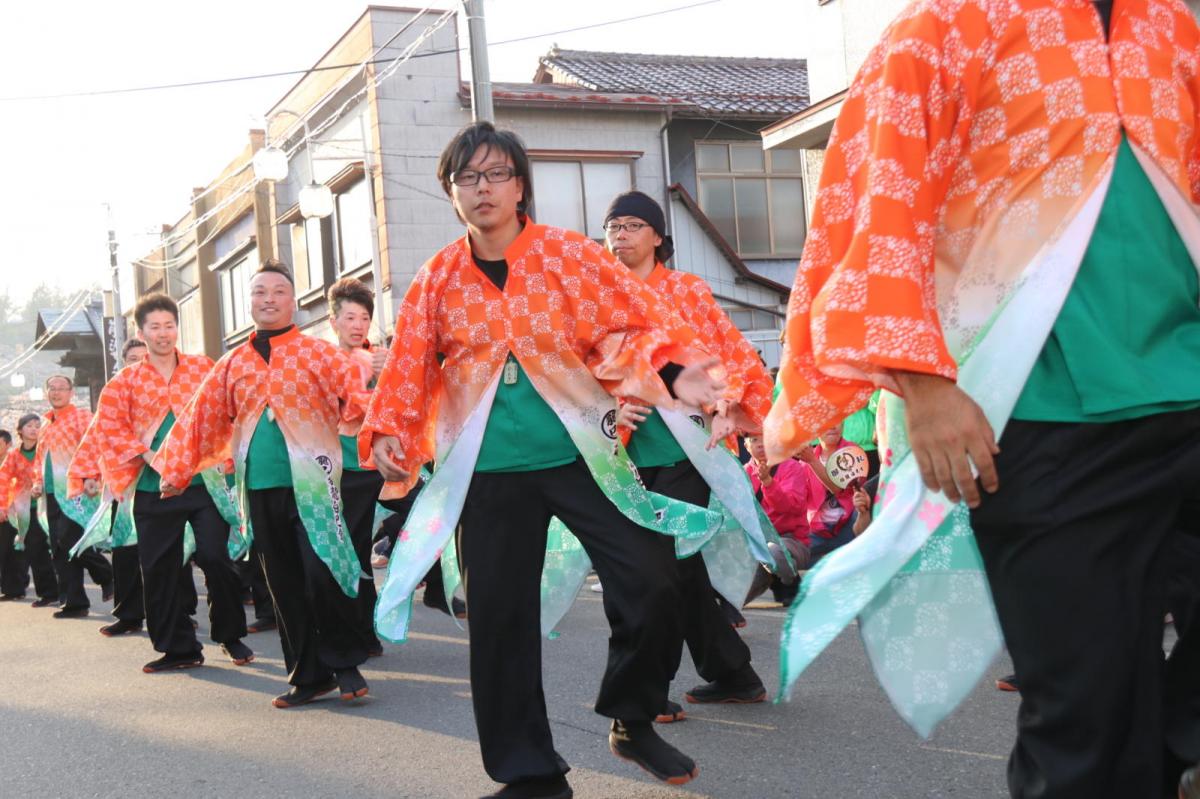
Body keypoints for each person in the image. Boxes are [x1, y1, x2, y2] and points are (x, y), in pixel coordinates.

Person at [765, 0, 1200, 795]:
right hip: (1039, 417)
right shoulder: (949, 22)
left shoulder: (1173, 25)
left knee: (1127, 725)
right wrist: (925, 387)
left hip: (1187, 392)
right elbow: (884, 206)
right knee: (1086, 724)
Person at [361, 121, 726, 799]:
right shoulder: (437, 277)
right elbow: (409, 366)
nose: (482, 189)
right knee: (498, 620)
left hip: (579, 451)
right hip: (487, 468)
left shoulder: (568, 256)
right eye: (466, 178)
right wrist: (389, 432)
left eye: (496, 174)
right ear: (451, 193)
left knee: (652, 578)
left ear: (520, 185)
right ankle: (531, 772)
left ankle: (631, 712)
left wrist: (675, 372)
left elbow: (635, 323)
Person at [155, 261, 371, 708]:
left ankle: (345, 660)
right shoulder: (232, 363)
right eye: (259, 292)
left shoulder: (321, 354)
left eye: (277, 291)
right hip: (260, 486)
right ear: (249, 302)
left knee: (323, 569)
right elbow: (200, 420)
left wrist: (387, 443)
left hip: (314, 482)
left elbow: (361, 403)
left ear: (294, 302)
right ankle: (308, 675)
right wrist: (175, 471)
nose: (268, 298)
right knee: (285, 583)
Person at [603, 190, 774, 720]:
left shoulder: (687, 290)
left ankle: (651, 688)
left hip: (686, 450)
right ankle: (733, 673)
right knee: (673, 569)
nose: (621, 235)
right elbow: (583, 368)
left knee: (664, 566)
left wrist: (731, 403)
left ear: (658, 237)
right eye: (612, 226)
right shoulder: (599, 297)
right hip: (625, 455)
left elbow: (730, 353)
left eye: (633, 225)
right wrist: (609, 407)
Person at [70, 293, 252, 671]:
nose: (164, 333)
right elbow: (111, 429)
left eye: (169, 325)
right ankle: (179, 649)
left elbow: (225, 412)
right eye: (155, 327)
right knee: (158, 568)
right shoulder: (124, 383)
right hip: (153, 490)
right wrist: (154, 458)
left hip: (203, 485)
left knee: (217, 558)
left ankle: (230, 635)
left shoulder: (203, 369)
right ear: (141, 332)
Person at [69, 336, 149, 637]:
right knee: (125, 551)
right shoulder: (114, 393)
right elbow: (95, 436)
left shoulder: (170, 390)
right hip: (122, 484)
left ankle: (180, 611)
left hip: (163, 480)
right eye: (133, 359)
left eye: (145, 357)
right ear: (123, 363)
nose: (140, 364)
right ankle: (129, 615)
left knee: (168, 550)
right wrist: (89, 473)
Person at [33, 375, 112, 618]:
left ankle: (107, 574)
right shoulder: (45, 423)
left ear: (71, 392)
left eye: (61, 388)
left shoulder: (81, 417)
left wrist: (91, 476)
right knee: (59, 547)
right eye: (52, 388)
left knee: (70, 539)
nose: (56, 392)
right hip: (51, 493)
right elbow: (40, 458)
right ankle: (74, 602)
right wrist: (37, 481)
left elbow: (95, 446)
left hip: (76, 489)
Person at [743, 435, 811, 607]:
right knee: (734, 598)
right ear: (746, 446)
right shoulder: (743, 472)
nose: (760, 444)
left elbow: (791, 508)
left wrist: (767, 482)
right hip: (755, 547)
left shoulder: (792, 467)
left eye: (764, 438)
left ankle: (790, 581)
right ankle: (774, 578)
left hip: (789, 541)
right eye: (754, 440)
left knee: (773, 553)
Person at [0, 414, 58, 606]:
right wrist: (1, 506)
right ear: (20, 430)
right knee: (22, 549)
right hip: (22, 509)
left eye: (37, 425)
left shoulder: (46, 450)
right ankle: (21, 591)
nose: (34, 429)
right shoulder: (14, 455)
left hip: (47, 505)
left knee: (46, 549)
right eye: (29, 425)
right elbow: (3, 480)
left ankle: (52, 592)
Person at [0, 430, 28, 600]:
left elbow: (13, 487)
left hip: (12, 511)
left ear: (8, 444)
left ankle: (15, 588)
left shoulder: (14, 461)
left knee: (13, 551)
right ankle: (13, 586)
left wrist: (4, 507)